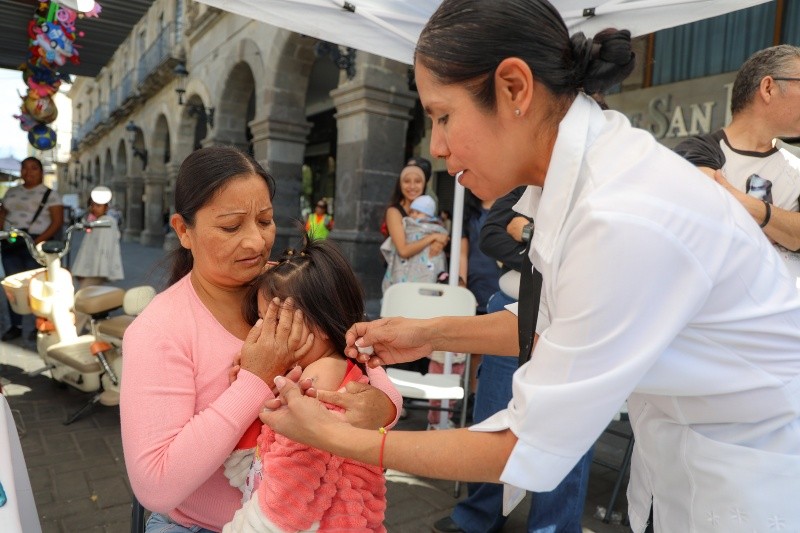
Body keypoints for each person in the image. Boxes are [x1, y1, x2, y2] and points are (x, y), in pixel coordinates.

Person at [258, 2, 800, 532]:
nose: (437, 146)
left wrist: (335, 437)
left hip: (754, 480)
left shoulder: (622, 212)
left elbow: (524, 446)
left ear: (514, 88)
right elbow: (555, 321)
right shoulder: (578, 179)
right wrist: (428, 332)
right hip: (693, 460)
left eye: (444, 117)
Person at [120, 146, 402, 533]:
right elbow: (156, 486)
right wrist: (254, 380)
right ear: (184, 231)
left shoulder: (287, 282)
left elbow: (359, 357)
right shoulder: (159, 330)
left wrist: (383, 407)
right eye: (231, 227)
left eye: (265, 220)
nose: (256, 242)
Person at [434, 186, 593, 533]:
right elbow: (492, 234)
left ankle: (552, 526)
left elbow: (597, 256)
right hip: (514, 304)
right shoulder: (530, 183)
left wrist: (528, 235)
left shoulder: (602, 182)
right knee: (493, 412)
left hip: (573, 315)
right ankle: (480, 515)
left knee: (567, 425)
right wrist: (552, 255)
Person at [222, 239, 394, 532]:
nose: (263, 332)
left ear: (322, 324)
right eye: (261, 319)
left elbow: (290, 491)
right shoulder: (318, 369)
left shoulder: (318, 381)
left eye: (277, 320)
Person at [674, 44, 800, 287]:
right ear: (768, 88)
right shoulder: (699, 150)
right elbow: (711, 223)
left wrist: (741, 203)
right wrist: (783, 225)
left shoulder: (796, 162)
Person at [0, 156, 63, 343]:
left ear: (41, 172)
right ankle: (16, 325)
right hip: (11, 243)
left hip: (36, 243)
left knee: (38, 286)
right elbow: (3, 215)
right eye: (24, 168)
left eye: (33, 168)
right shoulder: (11, 192)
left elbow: (57, 222)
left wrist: (37, 242)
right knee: (13, 285)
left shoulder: (51, 194)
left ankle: (40, 324)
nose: (28, 172)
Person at [70, 186, 124, 333]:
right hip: (91, 268)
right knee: (88, 299)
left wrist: (89, 271)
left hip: (95, 269)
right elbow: (88, 249)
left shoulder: (107, 222)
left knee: (81, 301)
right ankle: (93, 330)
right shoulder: (98, 221)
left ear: (106, 207)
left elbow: (102, 251)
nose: (94, 208)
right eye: (92, 205)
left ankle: (73, 331)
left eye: (98, 205)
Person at [381, 193, 449, 293]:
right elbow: (403, 250)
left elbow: (443, 236)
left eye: (418, 212)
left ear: (428, 216)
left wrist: (439, 238)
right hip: (406, 266)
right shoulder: (406, 223)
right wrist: (433, 237)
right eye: (412, 212)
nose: (413, 215)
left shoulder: (435, 228)